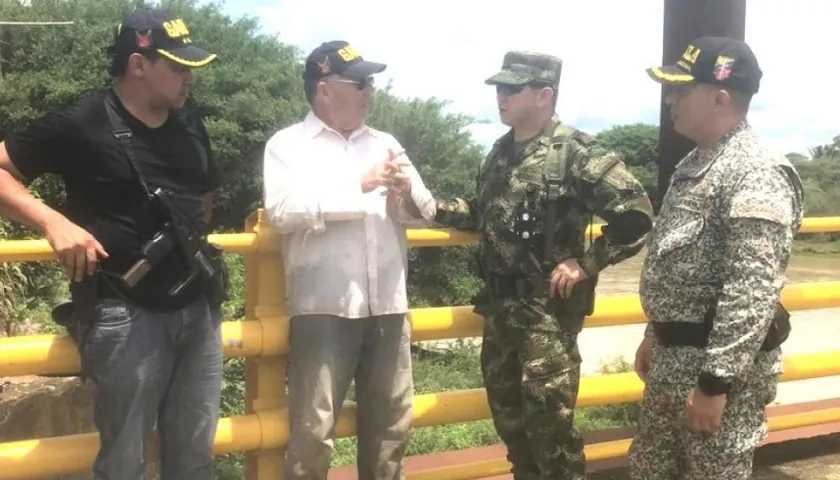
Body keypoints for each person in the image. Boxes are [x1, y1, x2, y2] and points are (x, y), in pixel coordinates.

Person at [0, 8, 224, 479]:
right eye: (178, 67)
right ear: (138, 65)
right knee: (125, 462)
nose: (189, 79)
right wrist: (52, 222)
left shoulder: (191, 125)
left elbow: (203, 201)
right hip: (124, 314)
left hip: (197, 310)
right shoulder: (82, 121)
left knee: (196, 457)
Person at [434, 51, 654, 480]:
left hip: (545, 320)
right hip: (500, 316)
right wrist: (424, 204)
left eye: (512, 88)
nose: (501, 96)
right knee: (513, 432)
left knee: (551, 437)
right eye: (499, 88)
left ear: (544, 94)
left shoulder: (574, 153)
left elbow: (636, 214)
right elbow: (480, 213)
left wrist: (587, 263)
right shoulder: (499, 153)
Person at [629, 36, 805, 479]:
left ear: (720, 97)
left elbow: (751, 290)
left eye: (682, 91)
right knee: (650, 470)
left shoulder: (756, 172)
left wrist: (714, 384)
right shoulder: (694, 165)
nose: (671, 100)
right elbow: (674, 265)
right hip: (673, 362)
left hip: (713, 373)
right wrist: (655, 332)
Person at [262, 40, 436, 479]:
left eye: (371, 81)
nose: (369, 90)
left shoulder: (386, 142)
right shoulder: (288, 145)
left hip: (389, 306)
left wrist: (404, 195)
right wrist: (359, 184)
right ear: (324, 89)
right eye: (359, 82)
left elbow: (426, 211)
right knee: (314, 429)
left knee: (392, 425)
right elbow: (282, 211)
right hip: (324, 308)